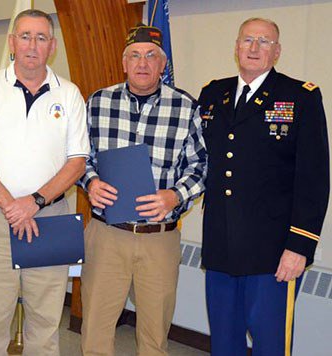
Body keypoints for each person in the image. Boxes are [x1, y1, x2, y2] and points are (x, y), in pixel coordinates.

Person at [0, 9, 90, 356]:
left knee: (45, 324)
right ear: (12, 42)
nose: (33, 44)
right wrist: (10, 205)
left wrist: (33, 202)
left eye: (41, 37)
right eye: (25, 36)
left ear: (53, 46)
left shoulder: (70, 95)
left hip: (50, 218)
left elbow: (77, 162)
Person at [198, 17, 329, 355]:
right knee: (224, 342)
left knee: (270, 343)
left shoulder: (300, 96)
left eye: (264, 41)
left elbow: (314, 178)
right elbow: (200, 162)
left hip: (273, 253)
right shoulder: (213, 94)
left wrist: (299, 246)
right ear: (236, 47)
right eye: (247, 40)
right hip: (221, 245)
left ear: (277, 51)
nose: (254, 48)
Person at [80, 24, 207, 356]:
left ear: (163, 65)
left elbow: (202, 166)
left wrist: (176, 195)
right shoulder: (97, 102)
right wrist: (90, 182)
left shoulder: (185, 107)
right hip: (107, 234)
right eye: (134, 56)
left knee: (154, 337)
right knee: (95, 331)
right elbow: (80, 158)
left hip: (159, 238)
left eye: (152, 56)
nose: (143, 63)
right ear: (124, 62)